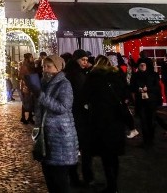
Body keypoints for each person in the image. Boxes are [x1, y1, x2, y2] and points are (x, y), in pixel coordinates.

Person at [83, 55, 128, 193]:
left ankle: (111, 185)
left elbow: (85, 96)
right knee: (113, 155)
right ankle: (114, 184)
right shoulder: (118, 75)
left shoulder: (93, 77)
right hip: (117, 120)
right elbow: (126, 94)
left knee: (106, 155)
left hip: (101, 120)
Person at [36, 54, 78, 193]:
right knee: (50, 179)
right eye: (44, 66)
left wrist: (41, 97)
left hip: (60, 137)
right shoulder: (43, 83)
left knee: (59, 181)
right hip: (46, 137)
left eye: (49, 67)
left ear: (58, 68)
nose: (45, 69)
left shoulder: (64, 84)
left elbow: (63, 107)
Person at [63, 49, 93, 187]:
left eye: (86, 60)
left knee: (76, 148)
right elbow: (82, 94)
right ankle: (82, 177)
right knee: (81, 148)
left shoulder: (74, 73)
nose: (85, 63)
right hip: (78, 116)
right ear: (77, 60)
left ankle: (76, 176)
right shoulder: (76, 75)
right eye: (83, 60)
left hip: (76, 116)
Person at [129, 57, 167, 147]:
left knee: (151, 121)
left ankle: (151, 140)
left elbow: (157, 88)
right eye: (141, 65)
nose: (142, 66)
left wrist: (149, 89)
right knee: (143, 122)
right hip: (141, 102)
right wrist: (138, 89)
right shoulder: (135, 75)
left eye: (144, 65)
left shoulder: (153, 75)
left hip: (151, 101)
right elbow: (131, 87)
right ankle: (146, 141)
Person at [19, 53, 35, 124]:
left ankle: (30, 117)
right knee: (26, 101)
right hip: (26, 86)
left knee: (31, 101)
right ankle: (24, 117)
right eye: (31, 57)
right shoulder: (24, 66)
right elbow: (21, 76)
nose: (32, 58)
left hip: (30, 85)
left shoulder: (31, 65)